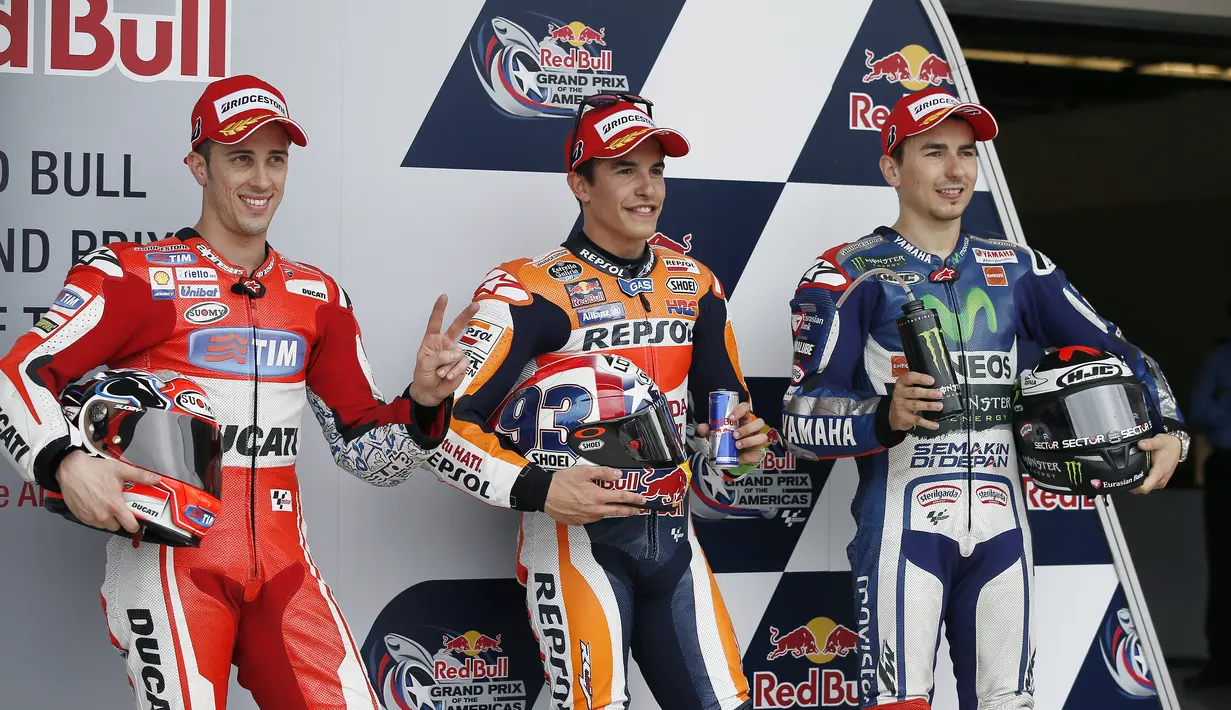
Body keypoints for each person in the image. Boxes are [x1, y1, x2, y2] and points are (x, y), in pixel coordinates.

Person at [0, 74, 475, 709]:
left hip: (283, 565)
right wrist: (64, 462)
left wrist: (421, 403)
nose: (261, 180)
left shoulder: (318, 299)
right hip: (170, 565)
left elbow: (368, 457)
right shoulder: (135, 277)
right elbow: (18, 375)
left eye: (275, 159)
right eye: (240, 158)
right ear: (199, 165)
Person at [782, 87, 1187, 710]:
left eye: (967, 154)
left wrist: (1168, 426)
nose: (955, 171)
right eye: (934, 152)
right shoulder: (849, 272)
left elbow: (1120, 351)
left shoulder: (1021, 268)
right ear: (891, 167)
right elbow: (800, 417)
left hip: (1004, 528)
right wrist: (881, 416)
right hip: (900, 529)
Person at [430, 93, 765, 710]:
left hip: (673, 540)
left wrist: (741, 450)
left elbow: (725, 446)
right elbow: (442, 430)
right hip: (574, 546)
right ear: (579, 183)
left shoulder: (697, 285)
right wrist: (541, 487)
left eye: (657, 168)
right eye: (625, 169)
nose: (648, 189)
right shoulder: (526, 288)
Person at [1186, 299, 1231, 688]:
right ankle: (1222, 660)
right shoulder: (1222, 357)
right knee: (1224, 566)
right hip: (1227, 468)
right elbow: (1199, 407)